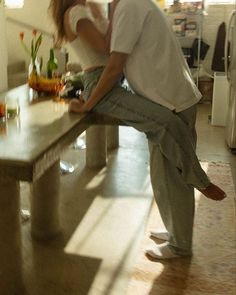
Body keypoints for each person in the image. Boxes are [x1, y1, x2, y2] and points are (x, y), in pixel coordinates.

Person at [48, 0, 226, 259]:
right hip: (112, 86)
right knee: (165, 167)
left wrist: (103, 17)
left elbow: (114, 58)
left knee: (168, 170)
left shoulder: (126, 7)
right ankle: (183, 219)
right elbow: (109, 54)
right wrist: (88, 104)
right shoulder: (88, 11)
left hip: (154, 94)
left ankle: (180, 237)